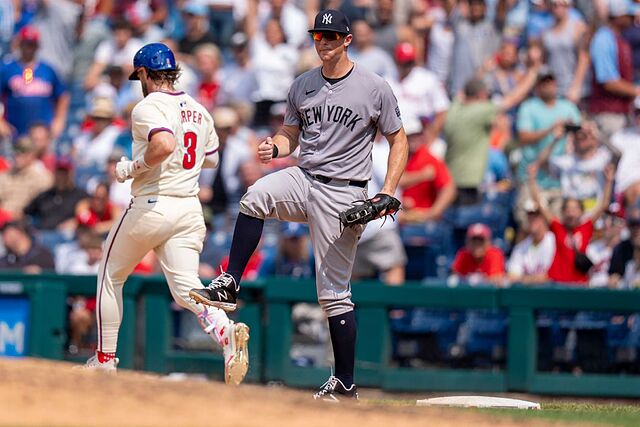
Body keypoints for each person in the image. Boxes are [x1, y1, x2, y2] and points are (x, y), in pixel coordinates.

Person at [190, 10, 408, 401]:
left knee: (333, 294)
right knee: (255, 197)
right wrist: (276, 146)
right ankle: (231, 282)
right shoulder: (302, 84)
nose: (322, 42)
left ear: (346, 40)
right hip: (305, 176)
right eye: (317, 35)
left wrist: (389, 188)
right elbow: (291, 132)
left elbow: (399, 139)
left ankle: (344, 382)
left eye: (330, 36)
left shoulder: (374, 86)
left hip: (345, 191)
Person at [80, 43, 250, 386]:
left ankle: (105, 360)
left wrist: (134, 167)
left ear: (144, 73)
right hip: (189, 209)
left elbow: (166, 145)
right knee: (186, 288)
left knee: (109, 275)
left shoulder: (147, 106)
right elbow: (212, 158)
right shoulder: (201, 110)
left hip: (153, 204)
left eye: (138, 75)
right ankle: (224, 332)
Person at [528, 160, 615, 285]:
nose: (571, 213)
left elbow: (604, 205)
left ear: (581, 212)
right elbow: (540, 204)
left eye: (575, 209)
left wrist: (609, 180)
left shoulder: (586, 227)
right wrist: (532, 179)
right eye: (568, 209)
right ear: (563, 212)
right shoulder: (558, 227)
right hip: (557, 283)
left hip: (579, 284)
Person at [0, 25, 69, 139]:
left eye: (32, 44)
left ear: (37, 46)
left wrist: (59, 121)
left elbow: (63, 96)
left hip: (42, 135)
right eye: (26, 43)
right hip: (14, 133)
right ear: (20, 44)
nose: (29, 48)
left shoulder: (47, 70)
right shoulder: (7, 69)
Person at [507, 200, 556, 285]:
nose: (532, 219)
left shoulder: (555, 242)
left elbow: (552, 276)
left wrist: (523, 279)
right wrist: (536, 279)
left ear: (544, 217)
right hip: (527, 295)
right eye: (529, 215)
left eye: (536, 215)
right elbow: (512, 277)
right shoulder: (520, 248)